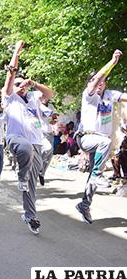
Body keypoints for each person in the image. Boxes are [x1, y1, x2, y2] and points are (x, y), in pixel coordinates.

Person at [2, 41, 54, 234]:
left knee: (31, 186)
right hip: (16, 139)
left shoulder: (33, 97)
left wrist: (34, 84)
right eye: (18, 83)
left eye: (23, 83)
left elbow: (50, 93)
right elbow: (10, 76)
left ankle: (30, 216)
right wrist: (16, 51)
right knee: (26, 149)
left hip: (36, 143)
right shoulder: (8, 97)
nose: (20, 85)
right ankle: (21, 176)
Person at [74, 49, 127, 224]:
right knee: (105, 145)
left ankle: (84, 204)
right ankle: (97, 175)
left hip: (101, 144)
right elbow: (96, 79)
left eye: (103, 82)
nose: (99, 84)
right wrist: (112, 62)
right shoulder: (88, 96)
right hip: (86, 138)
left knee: (93, 177)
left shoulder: (110, 95)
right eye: (96, 81)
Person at [38, 97, 57, 186]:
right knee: (47, 149)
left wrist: (53, 120)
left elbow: (54, 120)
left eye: (46, 96)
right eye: (43, 96)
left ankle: (42, 173)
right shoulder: (37, 105)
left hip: (50, 133)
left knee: (49, 155)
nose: (45, 98)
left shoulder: (51, 106)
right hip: (40, 132)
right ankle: (37, 166)